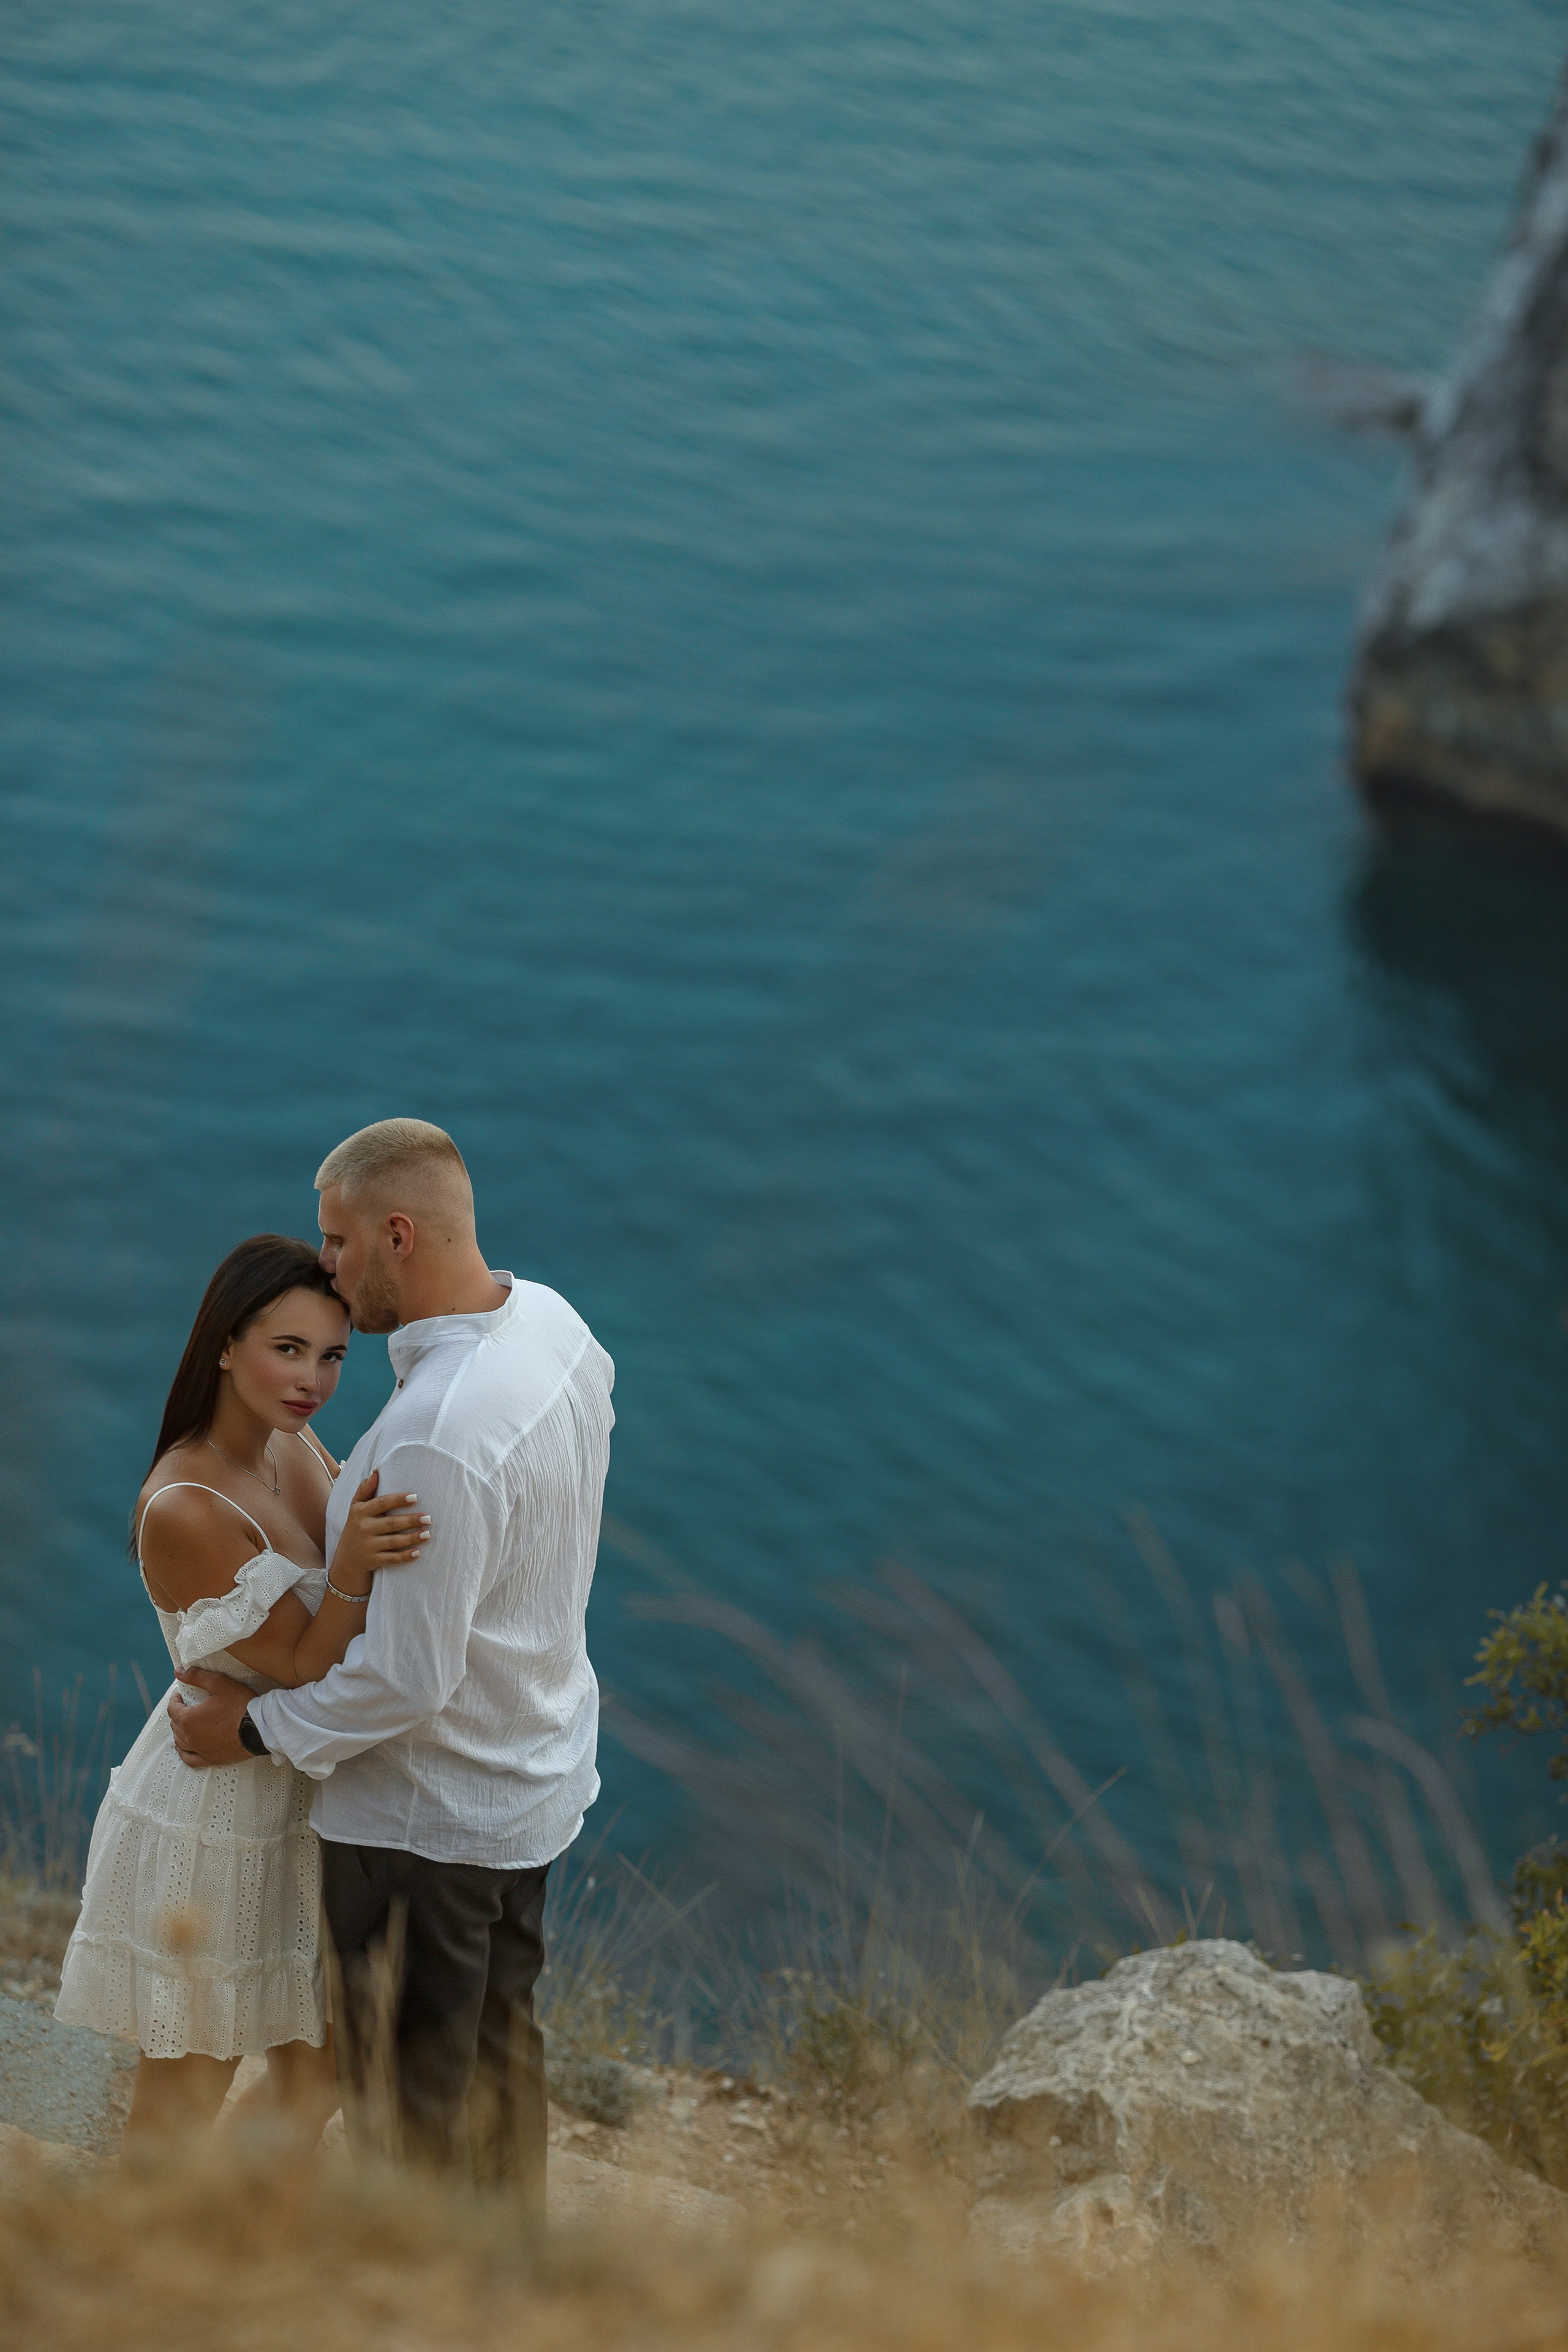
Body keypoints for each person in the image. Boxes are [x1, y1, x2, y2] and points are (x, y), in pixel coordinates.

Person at [168, 1118, 614, 2211]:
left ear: (397, 1235)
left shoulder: (435, 1433)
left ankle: (422, 2312)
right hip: (526, 1785)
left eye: (338, 1241)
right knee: (500, 2074)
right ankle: (518, 2298)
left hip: (422, 1826)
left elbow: (406, 1682)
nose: (328, 1266)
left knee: (403, 2125)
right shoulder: (555, 1329)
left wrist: (255, 1731)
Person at [55, 1234, 429, 2148]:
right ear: (226, 1344)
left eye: (333, 1355)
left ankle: (239, 2252)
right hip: (214, 1815)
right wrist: (349, 1566)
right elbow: (304, 1660)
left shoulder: (292, 1443)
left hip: (302, 1794)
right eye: (287, 1349)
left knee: (326, 2061)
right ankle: (139, 2265)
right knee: (183, 2095)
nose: (312, 1380)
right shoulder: (185, 1506)